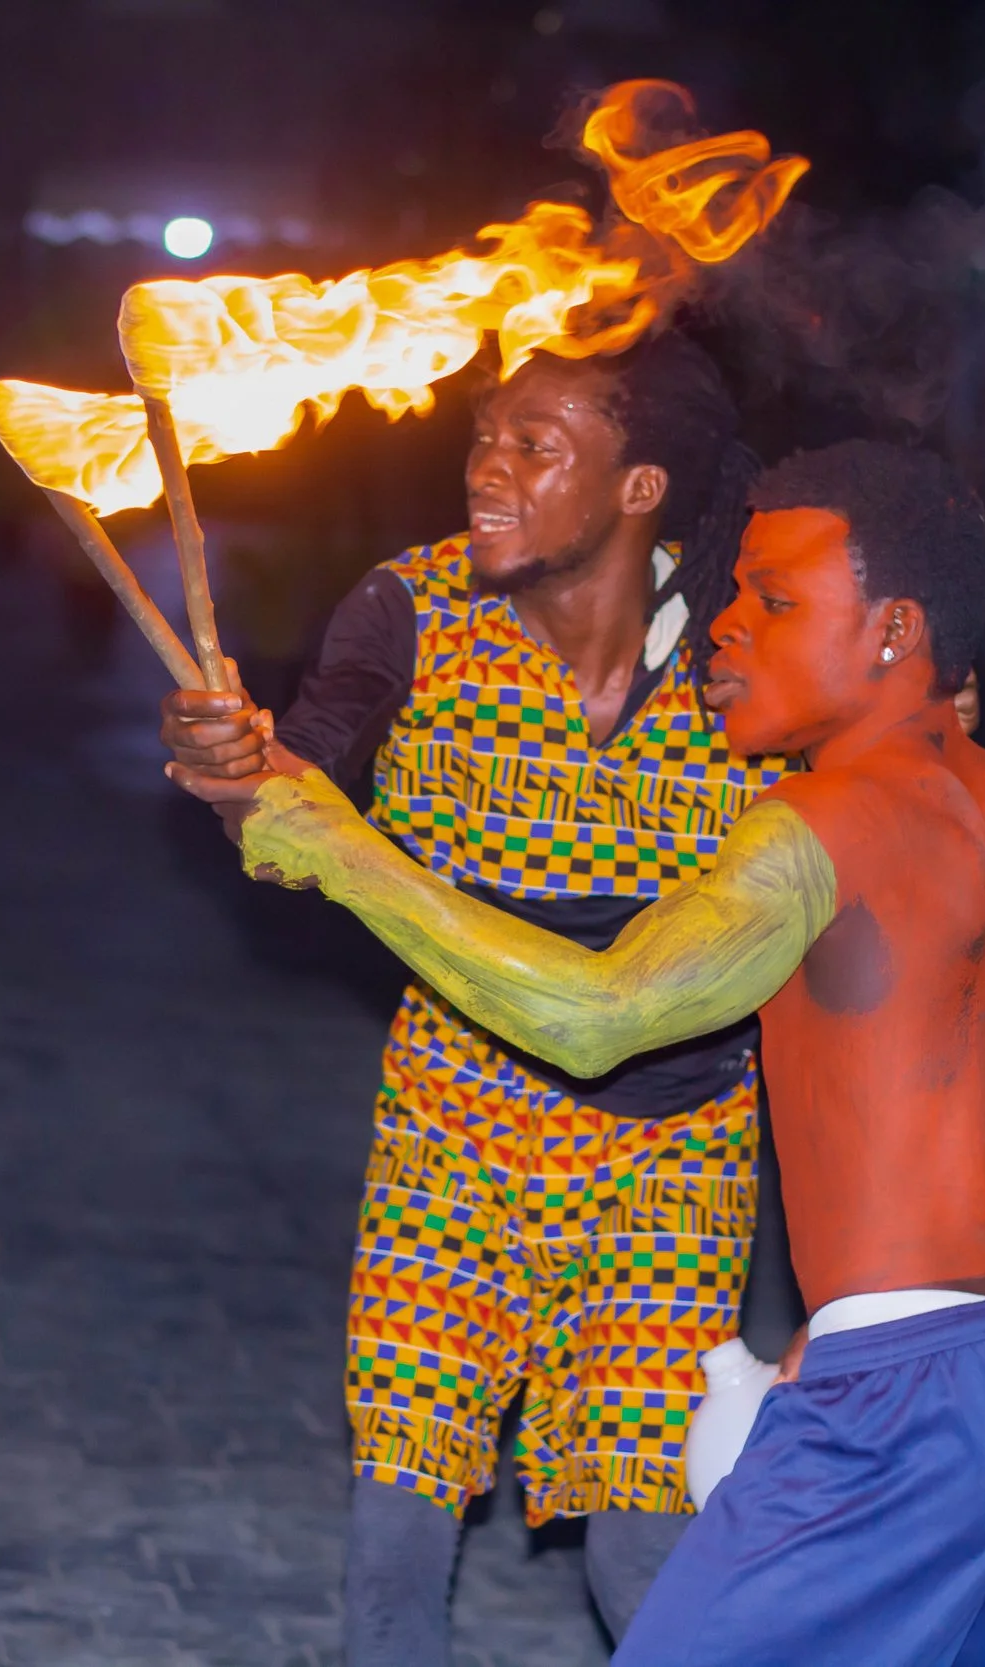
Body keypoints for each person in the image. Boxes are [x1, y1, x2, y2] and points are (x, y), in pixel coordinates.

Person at [235, 439, 985, 1666]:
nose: (724, 629)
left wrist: (346, 856)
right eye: (730, 596)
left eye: (773, 602)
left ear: (891, 632)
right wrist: (938, 1295)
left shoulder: (814, 827)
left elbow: (594, 1015)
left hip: (896, 1414)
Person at [160, 332, 783, 1660]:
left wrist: (936, 692)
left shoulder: (746, 640)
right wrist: (236, 777)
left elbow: (877, 775)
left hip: (679, 1150)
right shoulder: (412, 609)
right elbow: (302, 785)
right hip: (455, 1124)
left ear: (638, 487)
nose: (487, 472)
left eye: (534, 447)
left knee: (642, 1543)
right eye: (483, 440)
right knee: (399, 1517)